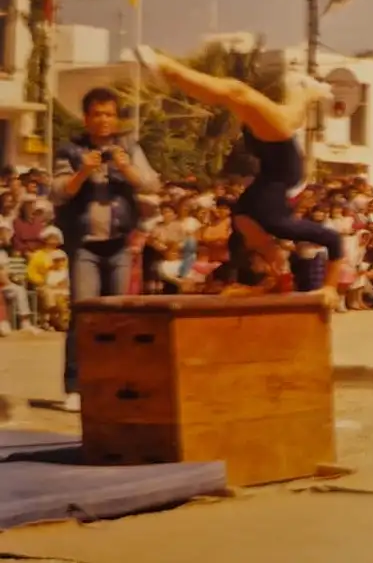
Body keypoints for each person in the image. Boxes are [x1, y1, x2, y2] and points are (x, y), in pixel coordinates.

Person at [134, 46, 343, 309]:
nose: (260, 257)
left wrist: (261, 286)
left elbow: (275, 270)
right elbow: (334, 241)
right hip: (283, 165)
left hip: (273, 157)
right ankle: (308, 92)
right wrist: (330, 286)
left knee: (244, 96)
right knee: (255, 102)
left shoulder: (245, 221)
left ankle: (166, 68)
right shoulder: (280, 225)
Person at [51, 86, 161, 413]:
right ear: (86, 118)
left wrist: (127, 168)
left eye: (109, 114)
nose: (103, 120)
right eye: (97, 114)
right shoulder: (70, 150)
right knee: (84, 316)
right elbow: (58, 192)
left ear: (116, 118)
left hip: (119, 244)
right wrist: (83, 170)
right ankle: (75, 386)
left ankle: (119, 383)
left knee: (121, 318)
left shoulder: (128, 146)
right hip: (84, 245)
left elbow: (151, 183)